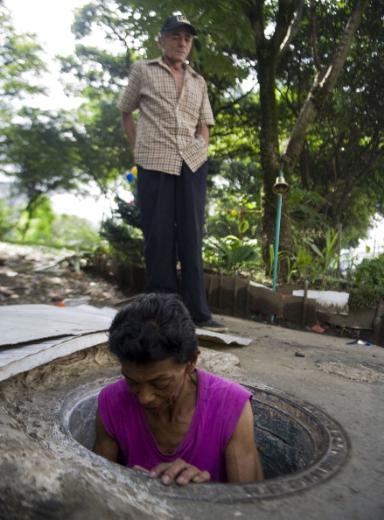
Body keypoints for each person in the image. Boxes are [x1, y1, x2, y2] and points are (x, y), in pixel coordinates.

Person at [118, 14, 226, 332]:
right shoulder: (143, 70)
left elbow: (204, 124)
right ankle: (161, 314)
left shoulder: (198, 81)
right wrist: (139, 149)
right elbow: (126, 111)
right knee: (159, 236)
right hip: (154, 163)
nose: (181, 42)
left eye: (187, 38)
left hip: (192, 164)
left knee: (192, 236)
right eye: (175, 36)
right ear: (161, 40)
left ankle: (199, 313)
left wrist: (201, 149)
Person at [94, 293, 264, 485]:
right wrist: (129, 486)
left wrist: (203, 494)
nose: (144, 398)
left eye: (160, 383)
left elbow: (252, 502)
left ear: (191, 361)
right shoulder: (112, 402)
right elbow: (98, 487)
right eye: (132, 381)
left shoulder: (232, 407)